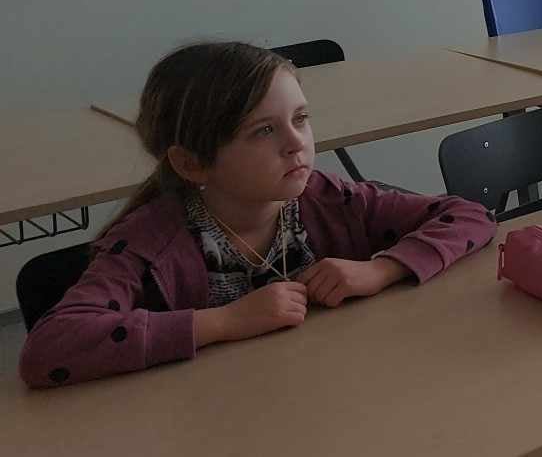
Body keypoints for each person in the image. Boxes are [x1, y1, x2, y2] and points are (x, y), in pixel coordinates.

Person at [19, 42, 495, 388]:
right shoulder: (151, 242)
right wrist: (224, 322)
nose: (296, 143)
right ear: (192, 163)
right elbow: (48, 349)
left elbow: (469, 216)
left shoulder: (325, 198)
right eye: (264, 131)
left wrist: (381, 269)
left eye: (301, 119)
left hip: (323, 391)